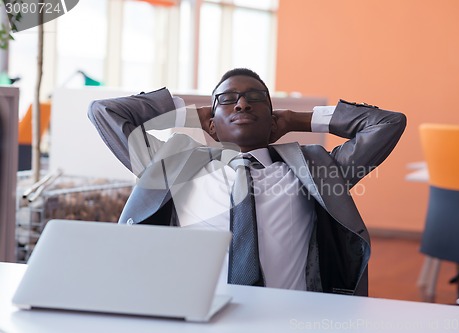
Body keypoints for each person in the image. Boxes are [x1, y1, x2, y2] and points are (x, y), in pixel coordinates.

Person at [88, 68, 406, 296]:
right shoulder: (172, 166)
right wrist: (186, 115)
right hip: (200, 316)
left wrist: (299, 119)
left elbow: (387, 123)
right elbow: (105, 112)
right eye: (227, 100)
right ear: (211, 125)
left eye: (256, 99)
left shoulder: (315, 168)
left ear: (273, 120)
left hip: (291, 318)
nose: (242, 104)